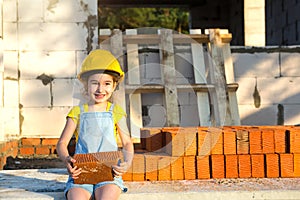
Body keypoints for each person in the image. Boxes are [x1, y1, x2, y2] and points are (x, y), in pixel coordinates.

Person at [56, 49, 134, 200]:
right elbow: (62, 143)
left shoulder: (116, 112)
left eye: (107, 83)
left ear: (114, 86)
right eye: (95, 83)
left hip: (109, 174)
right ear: (86, 85)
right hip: (80, 174)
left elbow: (127, 143)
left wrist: (127, 163)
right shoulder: (77, 112)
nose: (100, 89)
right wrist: (67, 160)